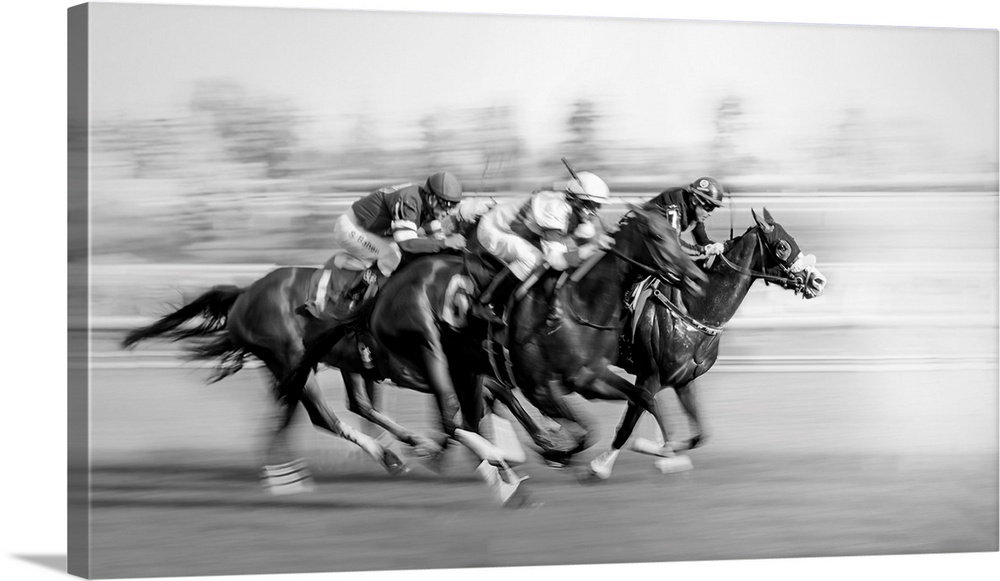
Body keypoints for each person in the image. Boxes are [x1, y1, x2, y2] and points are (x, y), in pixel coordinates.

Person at [302, 171, 468, 319]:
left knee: (416, 251)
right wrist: (446, 242)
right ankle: (351, 297)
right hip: (350, 227)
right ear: (432, 199)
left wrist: (454, 244)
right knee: (391, 254)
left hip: (375, 231)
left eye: (452, 207)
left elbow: (436, 240)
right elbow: (407, 244)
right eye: (446, 205)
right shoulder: (410, 200)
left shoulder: (428, 207)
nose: (448, 212)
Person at [469, 170, 614, 325]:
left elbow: (583, 248)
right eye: (594, 206)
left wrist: (599, 243)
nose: (596, 212)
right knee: (532, 258)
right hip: (493, 229)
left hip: (521, 232)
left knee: (568, 254)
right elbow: (556, 261)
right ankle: (488, 304)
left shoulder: (578, 215)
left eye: (599, 206)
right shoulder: (554, 210)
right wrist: (594, 246)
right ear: (579, 202)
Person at [641, 176, 726, 258]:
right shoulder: (674, 207)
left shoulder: (694, 210)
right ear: (695, 200)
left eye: (713, 208)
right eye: (709, 208)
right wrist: (703, 250)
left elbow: (703, 242)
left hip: (655, 244)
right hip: (640, 241)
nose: (710, 213)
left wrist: (719, 248)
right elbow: (674, 245)